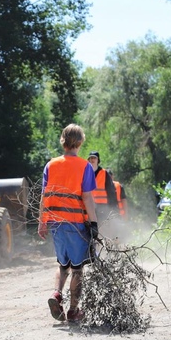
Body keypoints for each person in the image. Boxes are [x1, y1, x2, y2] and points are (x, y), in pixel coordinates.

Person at [38, 124, 99, 323]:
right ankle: (73, 310)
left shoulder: (51, 165)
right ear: (80, 142)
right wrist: (94, 222)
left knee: (63, 264)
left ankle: (56, 294)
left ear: (62, 141)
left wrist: (42, 222)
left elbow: (44, 196)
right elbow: (88, 198)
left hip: (55, 222)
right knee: (78, 268)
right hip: (75, 223)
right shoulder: (84, 166)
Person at [87, 151, 119, 230]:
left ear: (98, 160)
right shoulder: (85, 172)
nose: (92, 160)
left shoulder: (104, 173)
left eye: (94, 158)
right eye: (90, 158)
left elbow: (111, 191)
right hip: (89, 206)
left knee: (103, 228)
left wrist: (113, 207)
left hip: (103, 207)